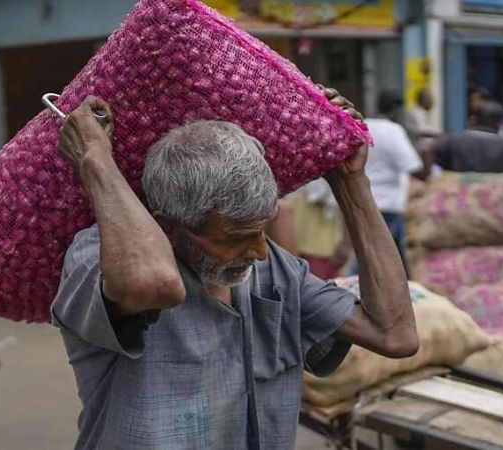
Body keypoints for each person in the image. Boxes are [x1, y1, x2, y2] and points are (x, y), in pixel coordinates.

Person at [51, 90, 418, 449]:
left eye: (262, 229)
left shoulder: (274, 271)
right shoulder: (99, 255)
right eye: (237, 236)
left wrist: (351, 183)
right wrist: (96, 162)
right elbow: (155, 284)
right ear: (168, 226)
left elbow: (395, 335)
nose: (260, 251)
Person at [362, 89, 424, 275]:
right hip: (388, 206)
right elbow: (413, 166)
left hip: (364, 201)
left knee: (371, 255)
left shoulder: (364, 125)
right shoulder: (393, 131)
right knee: (381, 258)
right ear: (397, 109)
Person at [429, 100, 503, 175]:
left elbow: (426, 150)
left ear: (473, 119)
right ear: (499, 123)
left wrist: (426, 175)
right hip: (494, 198)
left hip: (457, 198)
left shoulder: (452, 139)